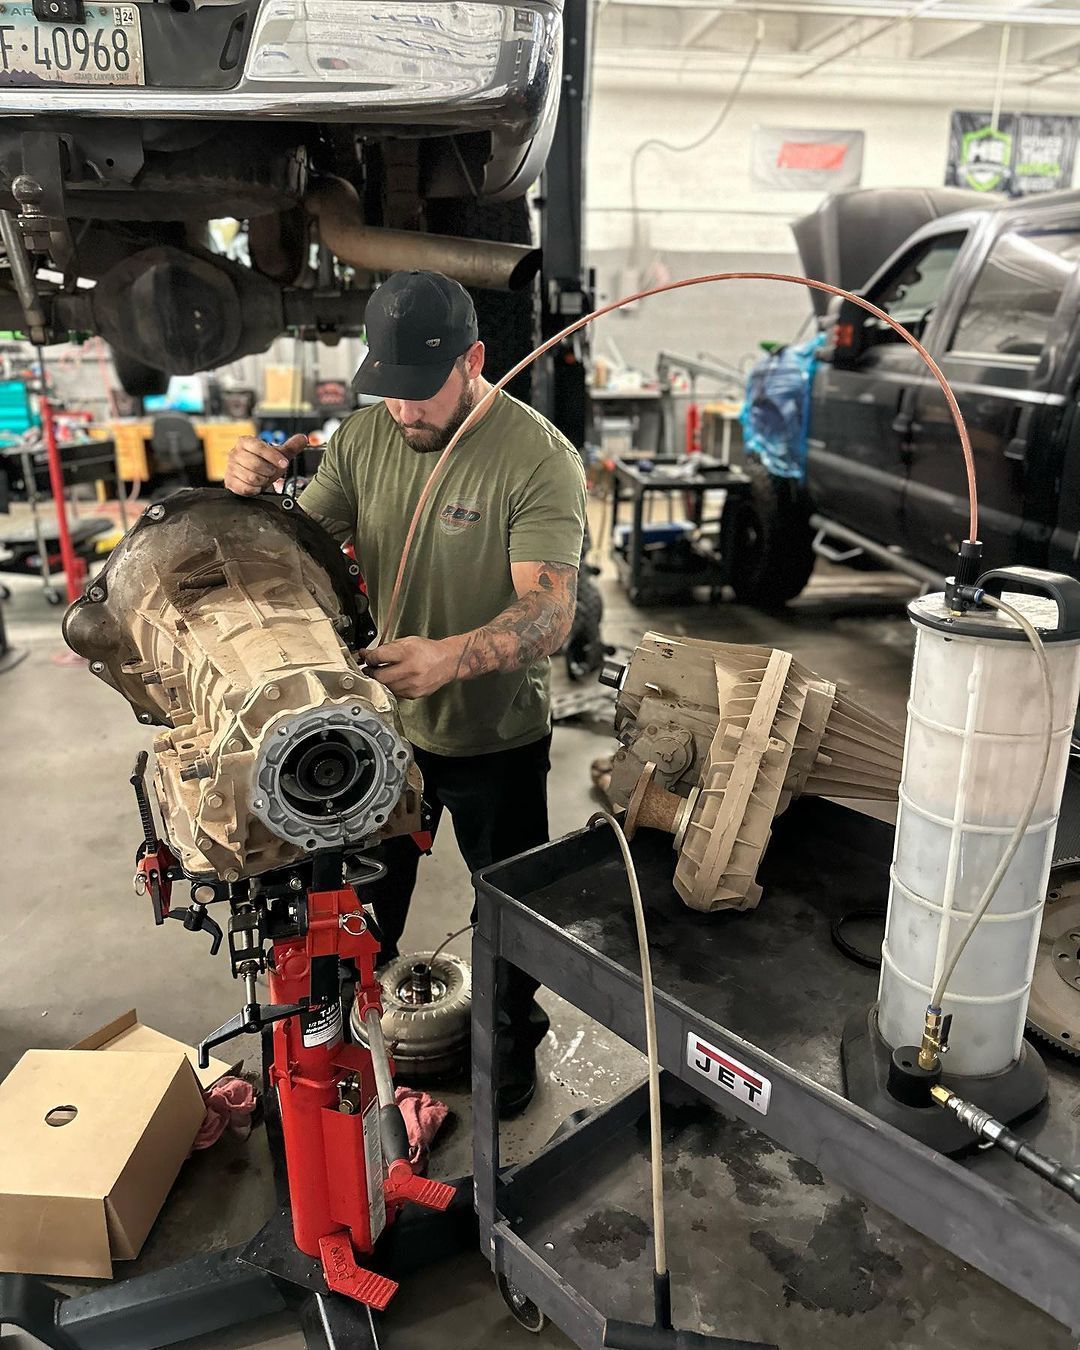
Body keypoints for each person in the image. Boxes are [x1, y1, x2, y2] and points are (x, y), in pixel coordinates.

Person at [224, 269, 587, 1115]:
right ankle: (356, 1047)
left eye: (421, 389)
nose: (404, 410)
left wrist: (450, 659)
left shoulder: (538, 458)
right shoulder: (364, 436)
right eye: (387, 388)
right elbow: (301, 545)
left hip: (496, 738)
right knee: (359, 910)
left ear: (474, 360)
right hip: (383, 733)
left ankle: (507, 1054)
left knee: (509, 914)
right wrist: (254, 491)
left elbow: (550, 613)